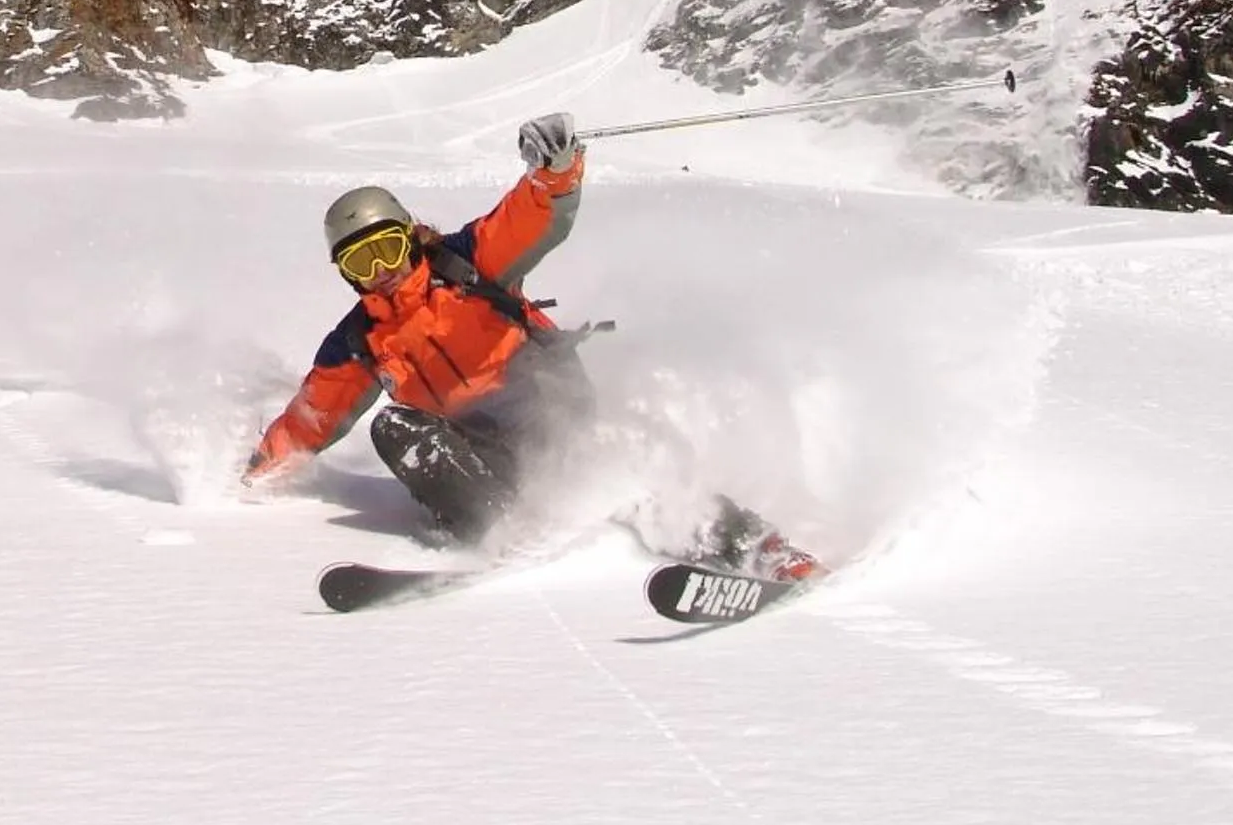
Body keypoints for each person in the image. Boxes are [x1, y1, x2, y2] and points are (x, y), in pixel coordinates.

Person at [243, 112, 817, 578]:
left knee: (622, 468)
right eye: (361, 263)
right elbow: (312, 417)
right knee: (393, 426)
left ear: (410, 237)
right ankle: (498, 526)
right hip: (482, 457)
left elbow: (528, 218)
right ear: (345, 273)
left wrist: (554, 170)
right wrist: (258, 467)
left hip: (545, 406)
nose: (382, 271)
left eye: (388, 250)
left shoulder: (466, 263)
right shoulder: (358, 341)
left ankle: (764, 551)